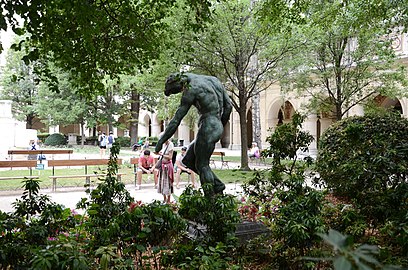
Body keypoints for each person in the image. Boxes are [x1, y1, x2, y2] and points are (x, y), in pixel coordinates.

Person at [155, 73, 232, 196]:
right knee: (188, 159)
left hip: (208, 126)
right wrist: (220, 126)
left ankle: (210, 200)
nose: (182, 91)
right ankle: (217, 184)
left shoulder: (191, 90)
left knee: (202, 165)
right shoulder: (213, 80)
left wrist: (161, 141)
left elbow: (176, 120)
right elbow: (228, 107)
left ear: (180, 83)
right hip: (215, 125)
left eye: (179, 90)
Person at [155, 133, 174, 203]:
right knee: (162, 183)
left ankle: (168, 199)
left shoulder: (170, 144)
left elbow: (170, 157)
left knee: (167, 183)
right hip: (162, 166)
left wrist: (162, 154)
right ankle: (164, 198)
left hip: (167, 167)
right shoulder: (163, 145)